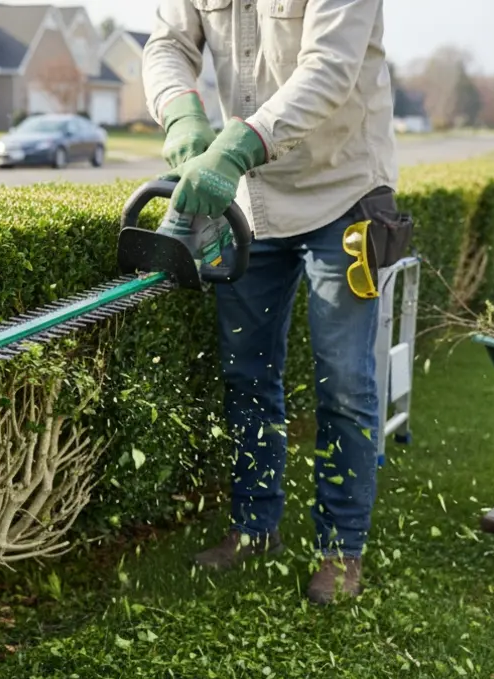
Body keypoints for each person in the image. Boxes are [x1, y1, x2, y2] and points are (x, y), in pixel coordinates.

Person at [142, 0, 402, 604]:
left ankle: (341, 551)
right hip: (253, 200)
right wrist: (181, 115)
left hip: (344, 190)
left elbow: (330, 69)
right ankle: (255, 529)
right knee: (247, 374)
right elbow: (168, 44)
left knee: (344, 380)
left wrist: (235, 144)